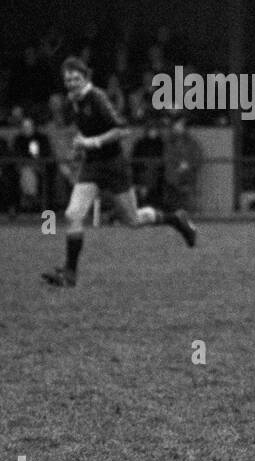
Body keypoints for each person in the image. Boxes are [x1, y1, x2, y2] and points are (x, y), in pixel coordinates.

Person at [40, 57, 196, 288]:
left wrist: (92, 142)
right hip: (92, 167)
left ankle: (176, 219)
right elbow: (85, 131)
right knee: (73, 214)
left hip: (114, 166)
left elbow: (122, 129)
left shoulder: (98, 98)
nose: (72, 83)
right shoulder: (72, 101)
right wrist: (79, 147)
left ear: (86, 78)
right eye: (68, 79)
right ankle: (69, 274)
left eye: (76, 78)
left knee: (132, 220)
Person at [162, 114, 202, 210]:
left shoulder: (191, 142)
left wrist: (188, 165)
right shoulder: (168, 142)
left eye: (180, 125)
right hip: (173, 180)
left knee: (189, 204)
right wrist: (177, 169)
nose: (178, 128)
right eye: (176, 125)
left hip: (189, 177)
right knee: (174, 207)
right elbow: (167, 158)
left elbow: (197, 157)